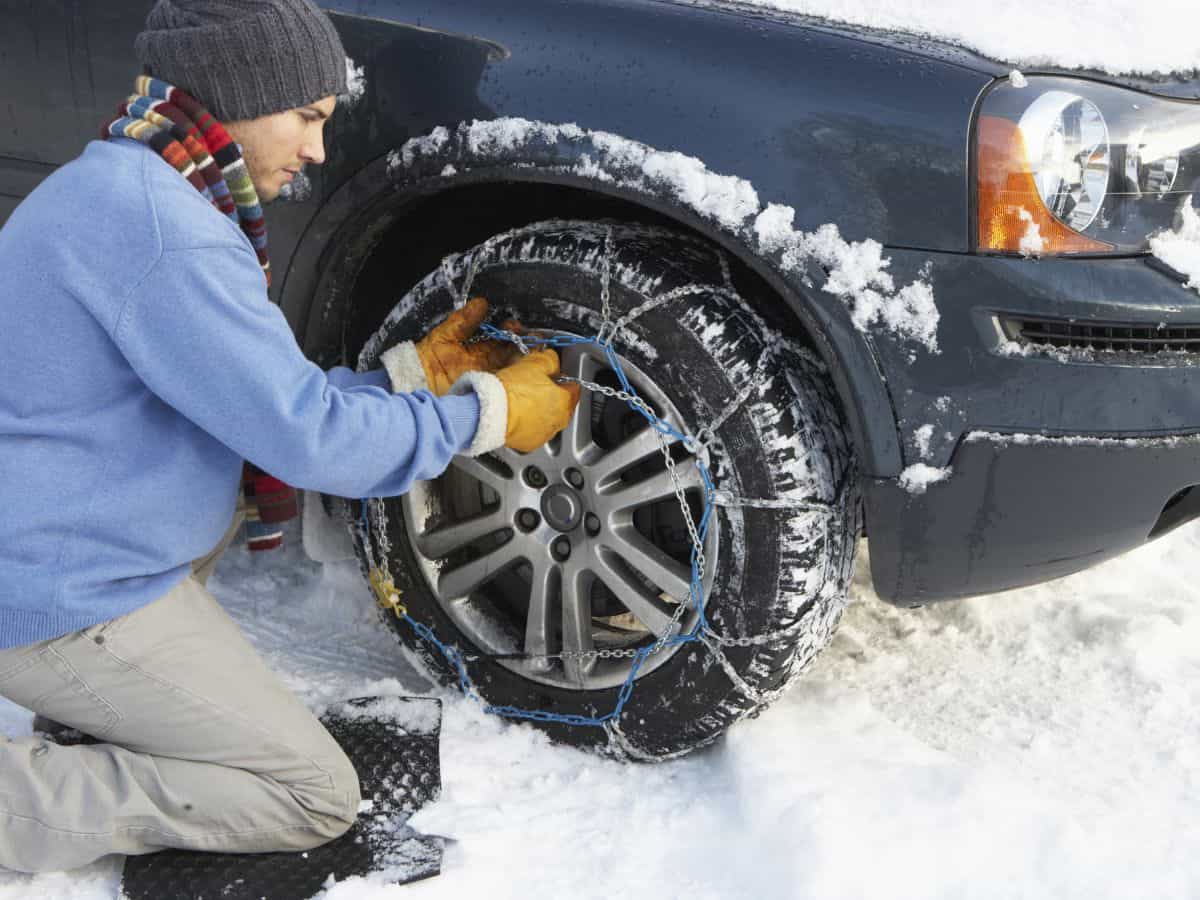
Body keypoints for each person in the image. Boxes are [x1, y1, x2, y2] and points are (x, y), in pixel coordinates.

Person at [0, 0, 579, 874]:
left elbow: (254, 400)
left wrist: (410, 380)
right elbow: (308, 441)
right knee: (309, 794)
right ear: (238, 92)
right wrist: (485, 415)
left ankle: (103, 704)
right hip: (56, 596)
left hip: (67, 538)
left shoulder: (128, 183)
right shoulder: (168, 237)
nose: (316, 151)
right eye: (307, 117)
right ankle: (22, 804)